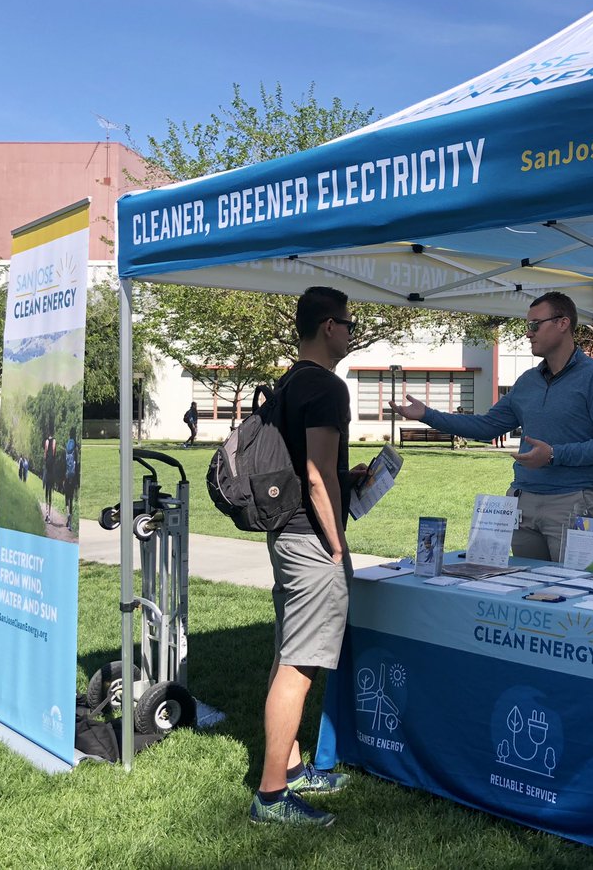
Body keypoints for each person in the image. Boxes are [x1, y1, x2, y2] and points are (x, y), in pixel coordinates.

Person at [391, 292, 593, 562]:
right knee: (525, 594)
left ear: (563, 323)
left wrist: (554, 454)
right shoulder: (528, 381)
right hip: (521, 503)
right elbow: (488, 426)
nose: (529, 333)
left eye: (535, 325)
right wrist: (427, 415)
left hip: (573, 503)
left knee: (575, 594)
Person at [250, 286, 365, 827]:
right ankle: (272, 796)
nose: (351, 332)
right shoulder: (325, 386)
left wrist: (351, 477)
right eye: (348, 323)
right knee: (300, 666)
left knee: (288, 651)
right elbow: (317, 478)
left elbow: (311, 466)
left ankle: (292, 768)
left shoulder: (290, 381)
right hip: (311, 541)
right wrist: (338, 547)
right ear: (327, 326)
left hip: (286, 535)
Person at [42, 434, 56, 522]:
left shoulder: (46, 441)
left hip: (47, 472)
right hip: (52, 473)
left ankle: (46, 513)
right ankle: (49, 515)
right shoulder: (54, 441)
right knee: (50, 493)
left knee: (46, 493)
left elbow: (45, 454)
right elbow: (54, 450)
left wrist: (46, 456)